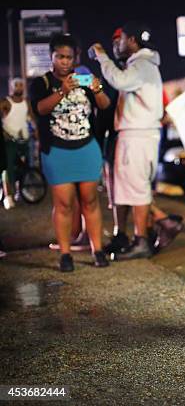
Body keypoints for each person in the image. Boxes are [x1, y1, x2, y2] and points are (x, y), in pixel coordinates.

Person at [29, 33, 111, 271]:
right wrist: (62, 91)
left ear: (75, 58)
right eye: (60, 57)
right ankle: (65, 253)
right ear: (52, 57)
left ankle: (97, 249)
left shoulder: (83, 79)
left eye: (68, 57)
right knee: (64, 204)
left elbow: (104, 106)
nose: (64, 61)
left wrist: (97, 89)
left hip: (86, 148)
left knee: (90, 200)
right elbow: (40, 109)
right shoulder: (42, 83)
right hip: (57, 151)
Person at [91, 22, 164, 260]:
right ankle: (139, 237)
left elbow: (119, 80)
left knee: (137, 189)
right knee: (134, 188)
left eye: (121, 39)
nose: (118, 44)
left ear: (132, 40)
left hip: (137, 134)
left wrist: (102, 57)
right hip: (141, 134)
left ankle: (141, 240)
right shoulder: (144, 64)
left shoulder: (141, 65)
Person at [1, 78, 37, 210]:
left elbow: (31, 118)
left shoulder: (26, 102)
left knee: (24, 168)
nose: (19, 87)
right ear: (11, 87)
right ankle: (8, 196)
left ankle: (20, 192)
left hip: (24, 140)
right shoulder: (5, 102)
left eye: (21, 85)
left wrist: (36, 131)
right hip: (9, 141)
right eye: (16, 85)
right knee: (8, 169)